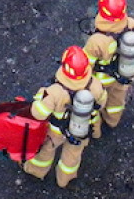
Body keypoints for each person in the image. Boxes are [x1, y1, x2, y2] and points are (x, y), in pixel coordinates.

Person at [23, 46, 106, 188]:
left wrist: (41, 95)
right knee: (72, 157)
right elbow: (101, 104)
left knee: (45, 152)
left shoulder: (54, 91)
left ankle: (36, 172)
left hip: (55, 133)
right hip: (81, 129)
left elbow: (38, 113)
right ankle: (65, 180)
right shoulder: (95, 85)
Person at [83, 0, 134, 128]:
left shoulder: (97, 41)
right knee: (116, 102)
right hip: (125, 73)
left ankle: (95, 128)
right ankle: (112, 122)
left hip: (102, 79)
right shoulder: (132, 24)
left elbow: (87, 65)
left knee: (96, 102)